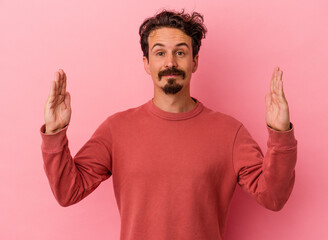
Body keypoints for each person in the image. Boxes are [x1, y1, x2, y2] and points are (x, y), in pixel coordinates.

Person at [40, 9, 297, 240]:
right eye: (160, 52)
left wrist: (281, 135)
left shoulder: (230, 132)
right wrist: (54, 133)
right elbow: (67, 192)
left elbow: (273, 197)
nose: (170, 62)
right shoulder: (116, 129)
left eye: (181, 52)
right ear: (147, 64)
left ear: (194, 62)